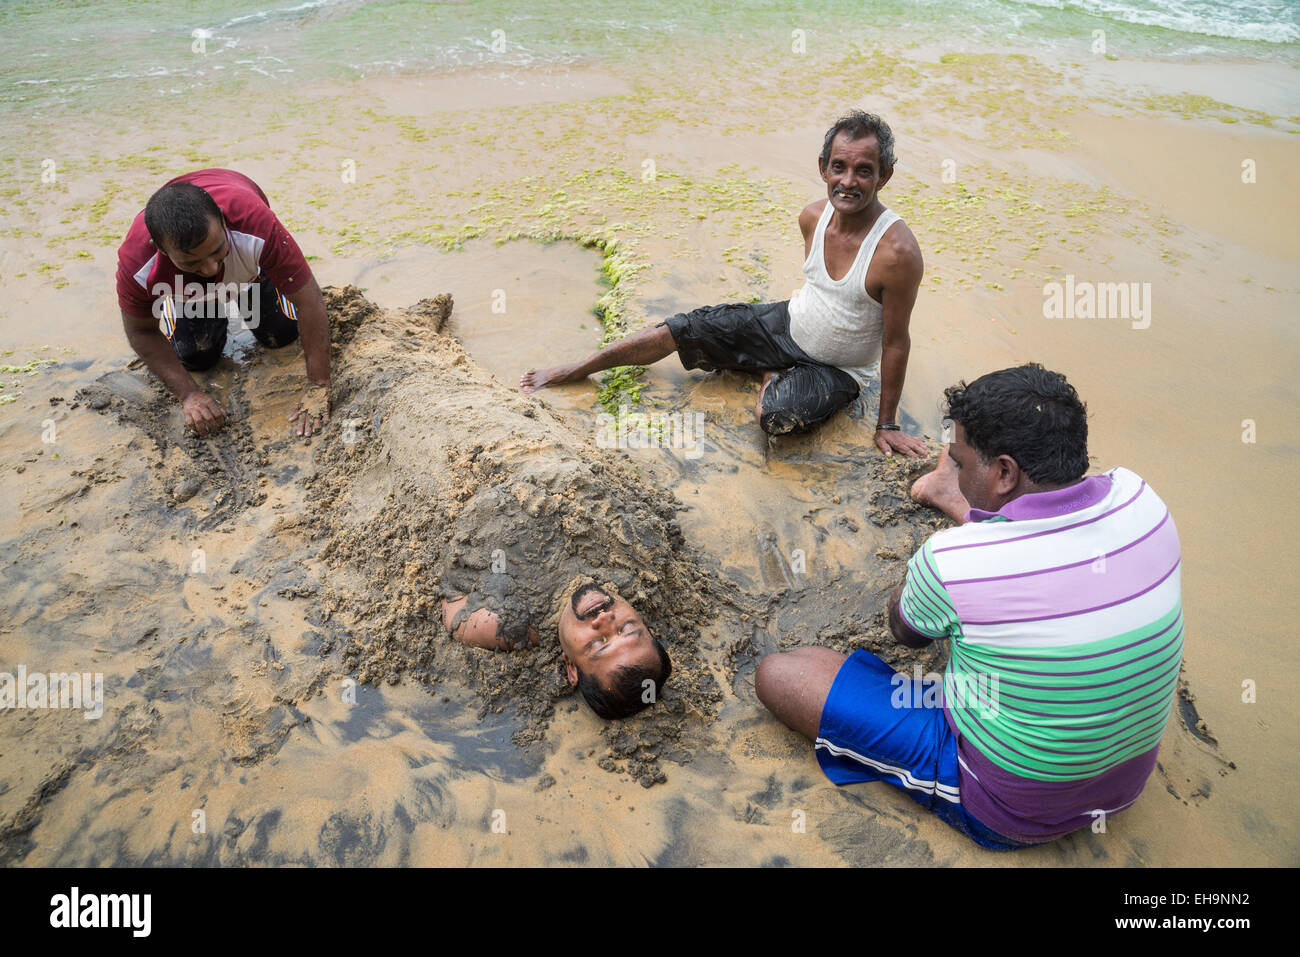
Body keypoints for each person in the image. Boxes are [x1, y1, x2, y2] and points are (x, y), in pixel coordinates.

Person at [755, 364, 1184, 848]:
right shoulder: (1144, 501)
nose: (955, 469)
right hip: (1124, 785)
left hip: (1011, 807)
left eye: (958, 463)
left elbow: (907, 631)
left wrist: (953, 564)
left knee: (784, 672)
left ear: (1003, 471)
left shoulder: (953, 560)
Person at [521, 110, 928, 456]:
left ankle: (769, 372)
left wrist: (887, 425)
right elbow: (822, 294)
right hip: (787, 323)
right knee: (680, 330)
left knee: (775, 419)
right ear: (823, 167)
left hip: (840, 368)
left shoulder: (897, 253)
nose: (848, 182)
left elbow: (896, 341)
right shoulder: (812, 217)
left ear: (884, 176)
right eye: (839, 167)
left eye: (864, 171)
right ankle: (576, 367)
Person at [115, 168, 331, 439]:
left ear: (224, 221)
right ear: (162, 251)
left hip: (245, 268)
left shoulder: (255, 224)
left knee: (281, 334)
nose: (209, 268)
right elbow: (140, 330)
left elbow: (309, 301)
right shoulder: (138, 260)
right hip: (188, 290)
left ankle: (251, 275)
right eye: (192, 261)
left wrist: (318, 385)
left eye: (217, 250)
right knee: (197, 357)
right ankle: (183, 299)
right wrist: (189, 394)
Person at [441, 580, 671, 721]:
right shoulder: (638, 558)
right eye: (627, 627)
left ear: (571, 667)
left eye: (597, 643)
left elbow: (452, 599)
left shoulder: (504, 625)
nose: (604, 618)